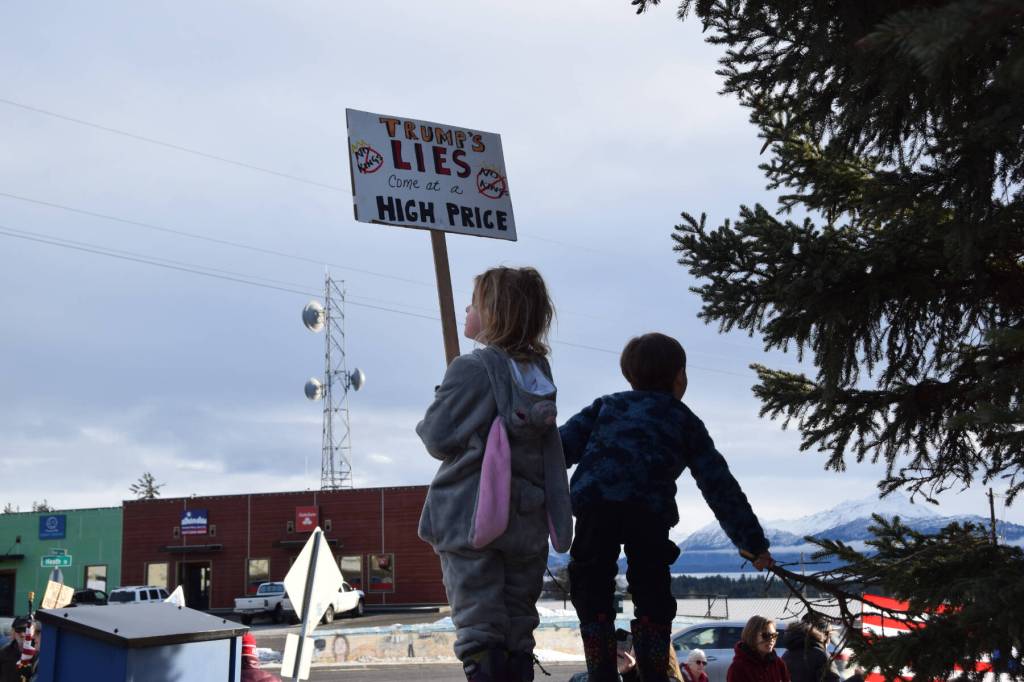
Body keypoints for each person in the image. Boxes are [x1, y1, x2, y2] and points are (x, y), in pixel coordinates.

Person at [559, 332, 774, 682]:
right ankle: (655, 673)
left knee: (591, 583)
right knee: (651, 590)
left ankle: (601, 672)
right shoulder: (683, 419)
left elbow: (559, 449)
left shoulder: (607, 406)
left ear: (630, 376)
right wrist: (753, 543)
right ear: (680, 377)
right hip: (649, 512)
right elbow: (719, 485)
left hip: (596, 505)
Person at [417, 266, 574, 682]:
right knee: (517, 627)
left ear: (496, 313)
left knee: (479, 628)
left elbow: (436, 436)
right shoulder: (539, 374)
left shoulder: (473, 369)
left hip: (472, 521)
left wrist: (444, 394)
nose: (466, 308)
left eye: (475, 301)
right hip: (525, 520)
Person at [727, 616, 789, 682]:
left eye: (774, 635)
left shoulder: (778, 663)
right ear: (752, 636)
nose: (771, 639)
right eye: (766, 635)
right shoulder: (738, 668)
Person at [781, 616, 840, 682]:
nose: (829, 640)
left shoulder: (786, 655)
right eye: (830, 635)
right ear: (824, 634)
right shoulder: (821, 655)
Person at [0, 616, 35, 682]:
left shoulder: (38, 653)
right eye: (18, 630)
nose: (22, 634)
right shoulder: (4, 652)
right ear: (13, 632)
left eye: (25, 630)